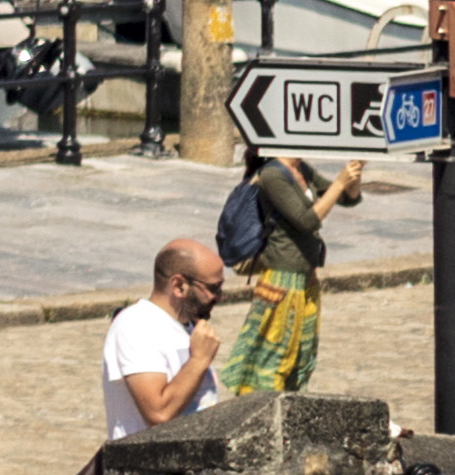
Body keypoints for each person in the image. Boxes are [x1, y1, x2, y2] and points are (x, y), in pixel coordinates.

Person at [213, 138, 360, 399]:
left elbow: (348, 199)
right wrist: (340, 182)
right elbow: (305, 220)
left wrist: (354, 173)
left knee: (303, 351)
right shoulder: (272, 174)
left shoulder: (302, 168)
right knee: (274, 351)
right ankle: (259, 406)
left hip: (306, 277)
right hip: (282, 278)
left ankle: (292, 405)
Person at [100, 237, 231, 454]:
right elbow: (158, 413)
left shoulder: (189, 327)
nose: (219, 297)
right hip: (150, 474)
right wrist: (199, 360)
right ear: (179, 285)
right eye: (213, 288)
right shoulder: (137, 326)